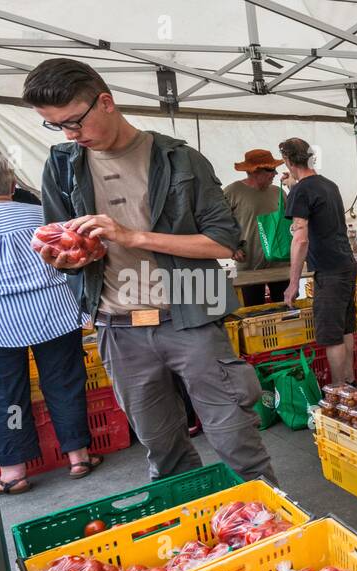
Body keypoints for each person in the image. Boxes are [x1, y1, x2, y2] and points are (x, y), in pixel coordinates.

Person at [24, 58, 275, 483]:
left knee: (233, 434)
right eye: (56, 126)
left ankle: (267, 525)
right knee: (161, 447)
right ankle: (195, 532)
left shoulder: (179, 159)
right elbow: (62, 239)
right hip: (116, 324)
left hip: (192, 310)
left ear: (106, 102)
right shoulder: (62, 164)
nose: (70, 134)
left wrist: (132, 236)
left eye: (73, 122)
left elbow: (225, 243)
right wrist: (68, 257)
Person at [0, 151, 99, 493]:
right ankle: (78, 455)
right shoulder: (43, 216)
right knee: (64, 383)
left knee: (6, 394)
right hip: (53, 313)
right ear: (12, 184)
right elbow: (69, 260)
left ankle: (13, 470)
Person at [279, 137, 357, 385]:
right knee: (345, 328)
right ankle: (349, 381)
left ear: (288, 160)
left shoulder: (301, 191)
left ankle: (338, 391)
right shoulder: (328, 184)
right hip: (345, 264)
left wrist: (293, 283)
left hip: (329, 270)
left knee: (331, 334)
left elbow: (300, 239)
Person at [224, 148, 289, 307]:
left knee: (287, 311)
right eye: (271, 170)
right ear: (255, 171)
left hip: (281, 265)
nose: (275, 173)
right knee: (254, 313)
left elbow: (292, 224)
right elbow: (217, 224)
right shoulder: (232, 192)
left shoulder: (278, 192)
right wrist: (231, 247)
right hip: (249, 267)